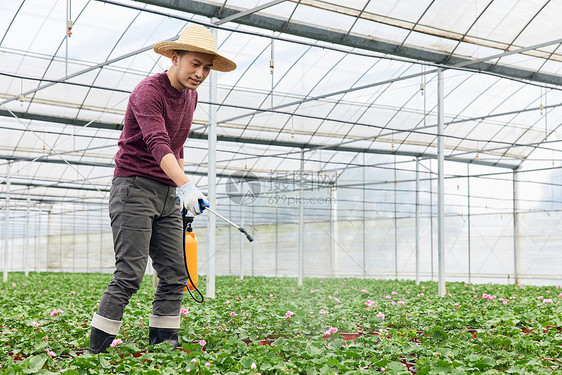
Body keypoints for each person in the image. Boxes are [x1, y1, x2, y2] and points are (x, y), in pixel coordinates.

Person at [88, 24, 236, 354]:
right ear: (175, 56)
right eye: (195, 63)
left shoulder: (191, 97)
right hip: (134, 188)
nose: (200, 73)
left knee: (174, 273)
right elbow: (158, 142)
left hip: (168, 192)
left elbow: (177, 146)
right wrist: (186, 184)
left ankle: (164, 348)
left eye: (207, 68)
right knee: (129, 274)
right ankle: (95, 352)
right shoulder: (148, 91)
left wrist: (182, 190)